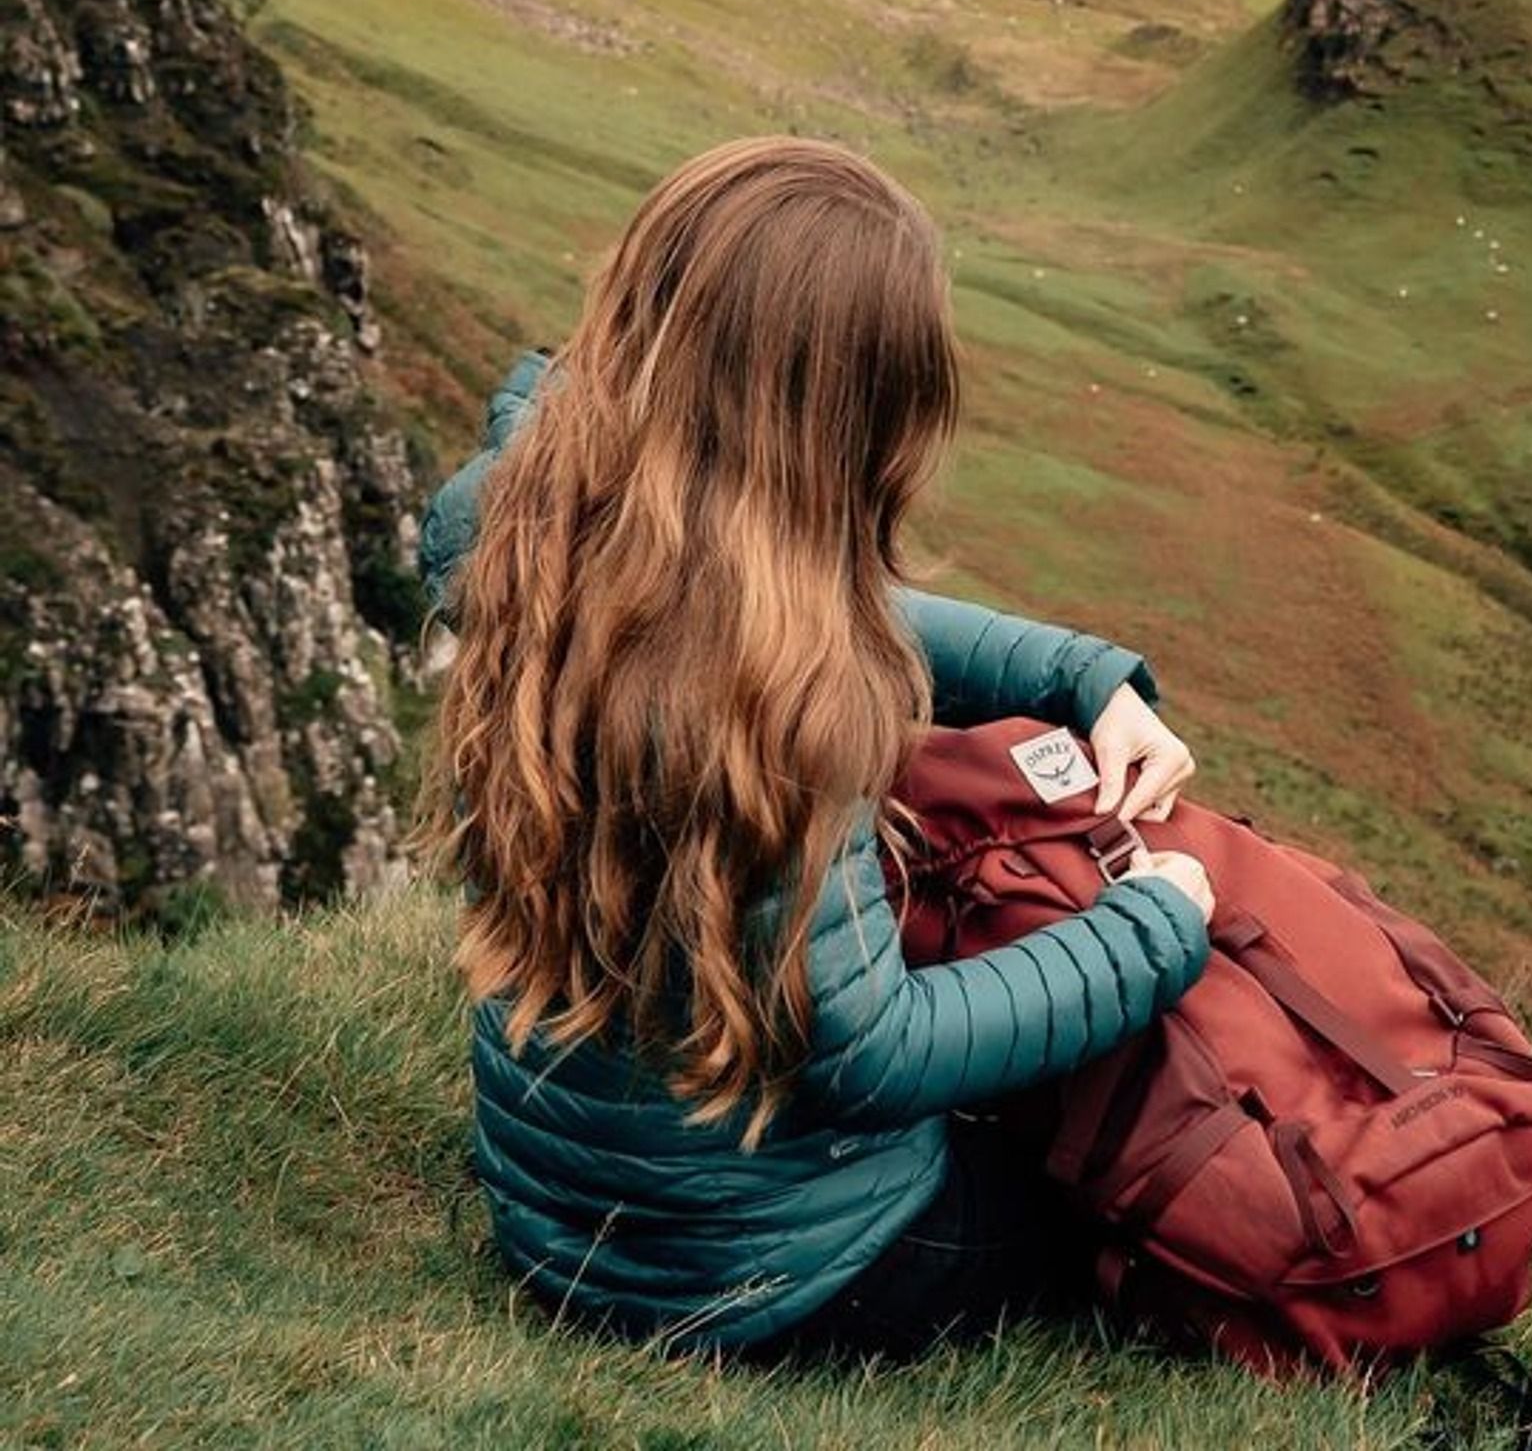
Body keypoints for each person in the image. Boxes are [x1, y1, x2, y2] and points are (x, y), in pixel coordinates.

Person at [416, 135, 1218, 1358]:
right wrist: (1149, 927)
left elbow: (759, 599)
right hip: (778, 1275)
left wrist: (1071, 674)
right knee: (1097, 1169)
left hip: (556, 1216)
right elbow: (875, 1055)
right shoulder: (780, 698)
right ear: (847, 416)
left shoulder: (520, 517)